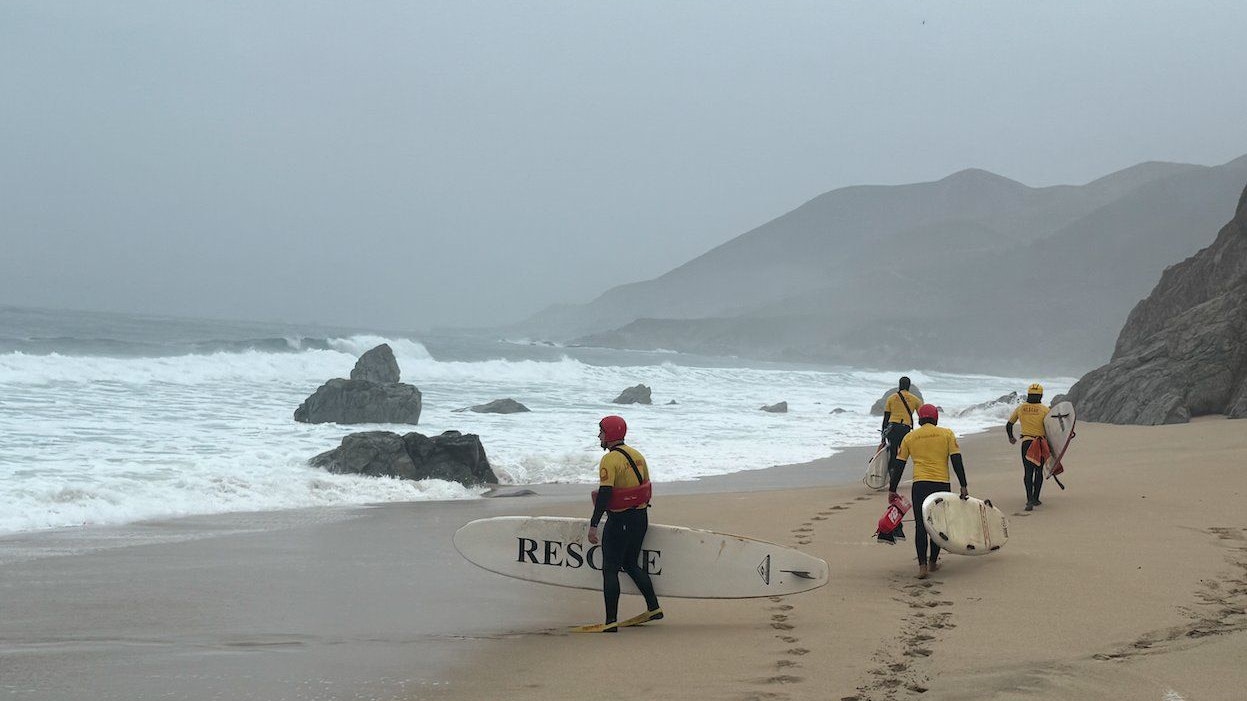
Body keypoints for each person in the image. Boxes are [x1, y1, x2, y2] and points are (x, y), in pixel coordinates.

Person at [586, 415, 662, 632]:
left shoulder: (610, 460)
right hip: (641, 518)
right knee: (630, 563)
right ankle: (653, 608)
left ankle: (611, 622)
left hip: (620, 521)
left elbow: (605, 494)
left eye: (601, 432)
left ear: (609, 434)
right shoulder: (638, 455)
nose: (599, 436)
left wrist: (593, 524)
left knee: (610, 569)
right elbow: (645, 488)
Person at [888, 404, 969, 579]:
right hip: (941, 485)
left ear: (920, 419)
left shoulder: (910, 437)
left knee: (921, 525)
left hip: (920, 485)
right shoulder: (947, 434)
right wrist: (963, 485)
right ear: (935, 418)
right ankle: (933, 562)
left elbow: (899, 465)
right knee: (937, 524)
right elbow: (957, 461)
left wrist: (892, 489)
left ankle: (922, 567)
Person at [877, 376, 922, 542]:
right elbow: (922, 417)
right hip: (905, 429)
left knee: (893, 453)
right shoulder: (915, 399)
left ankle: (891, 475)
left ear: (899, 385)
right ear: (908, 386)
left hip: (893, 428)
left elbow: (885, 418)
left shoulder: (891, 398)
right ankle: (897, 473)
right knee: (902, 455)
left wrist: (883, 436)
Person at [1006, 383, 1051, 511]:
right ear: (1041, 395)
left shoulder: (1020, 408)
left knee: (1028, 471)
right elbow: (1051, 429)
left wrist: (1011, 437)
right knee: (1038, 471)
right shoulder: (1045, 410)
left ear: (1028, 395)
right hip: (1040, 444)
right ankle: (1036, 499)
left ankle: (1029, 500)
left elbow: (1009, 425)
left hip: (1026, 443)